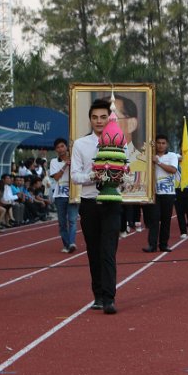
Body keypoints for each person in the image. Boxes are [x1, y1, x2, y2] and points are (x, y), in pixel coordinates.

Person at [70, 99, 125, 314]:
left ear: (109, 118)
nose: (99, 121)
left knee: (108, 250)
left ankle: (110, 298)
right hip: (90, 203)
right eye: (95, 117)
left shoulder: (120, 142)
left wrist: (113, 177)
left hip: (112, 203)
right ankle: (98, 296)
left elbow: (124, 170)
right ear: (90, 119)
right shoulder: (81, 145)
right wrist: (94, 175)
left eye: (103, 117)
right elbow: (75, 176)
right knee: (93, 251)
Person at [143, 134, 178, 252]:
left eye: (163, 143)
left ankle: (164, 244)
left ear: (167, 144)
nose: (161, 145)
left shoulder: (172, 156)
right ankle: (152, 245)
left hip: (168, 193)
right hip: (154, 193)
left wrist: (158, 162)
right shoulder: (150, 156)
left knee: (166, 220)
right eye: (158, 143)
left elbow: (173, 170)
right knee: (154, 219)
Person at [50, 137, 78, 253]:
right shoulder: (54, 162)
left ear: (66, 147)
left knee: (72, 220)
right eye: (58, 147)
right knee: (62, 223)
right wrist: (65, 165)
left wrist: (72, 163)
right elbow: (56, 177)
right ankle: (67, 244)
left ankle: (71, 243)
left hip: (72, 194)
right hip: (60, 195)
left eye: (62, 146)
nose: (60, 149)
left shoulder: (75, 159)